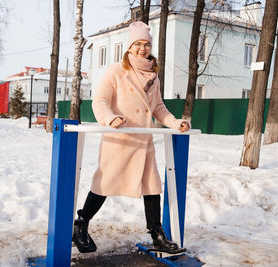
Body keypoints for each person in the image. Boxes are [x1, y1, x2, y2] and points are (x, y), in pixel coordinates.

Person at [72, 21, 191, 254]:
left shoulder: (153, 76)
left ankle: (157, 235)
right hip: (120, 140)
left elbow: (158, 108)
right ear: (129, 47)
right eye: (137, 44)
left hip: (143, 142)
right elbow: (100, 101)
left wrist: (176, 123)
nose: (142, 49)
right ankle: (81, 224)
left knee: (152, 187)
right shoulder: (117, 70)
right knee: (103, 185)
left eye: (146, 44)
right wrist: (109, 118)